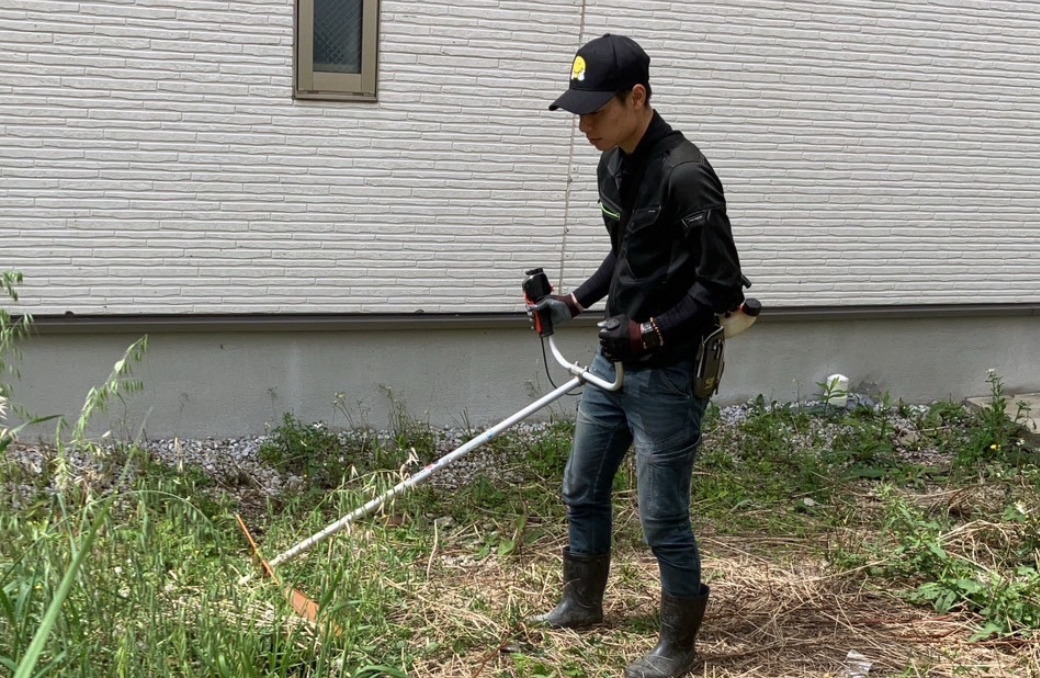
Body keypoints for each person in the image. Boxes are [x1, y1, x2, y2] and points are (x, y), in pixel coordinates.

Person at [528, 34, 746, 678]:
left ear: (638, 97)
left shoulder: (686, 174)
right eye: (577, 112)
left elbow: (722, 288)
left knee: (662, 518)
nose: (584, 124)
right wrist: (573, 301)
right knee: (582, 484)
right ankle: (582, 602)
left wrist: (651, 334)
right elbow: (626, 254)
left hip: (669, 371)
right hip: (612, 360)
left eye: (595, 110)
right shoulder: (613, 162)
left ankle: (677, 648)